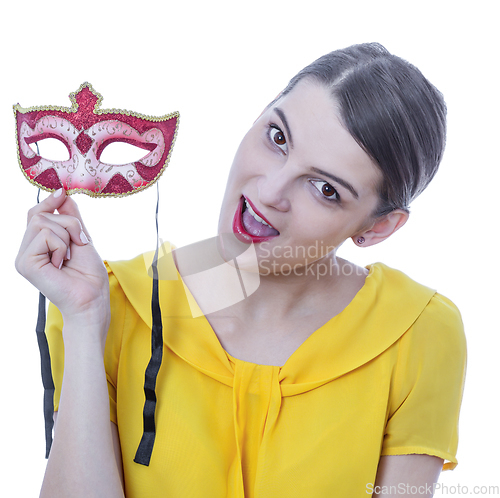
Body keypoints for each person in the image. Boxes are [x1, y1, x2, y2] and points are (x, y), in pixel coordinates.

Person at [16, 43, 466, 497]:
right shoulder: (110, 304)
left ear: (379, 227)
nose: (271, 191)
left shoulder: (415, 333)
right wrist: (84, 320)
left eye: (325, 188)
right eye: (277, 138)